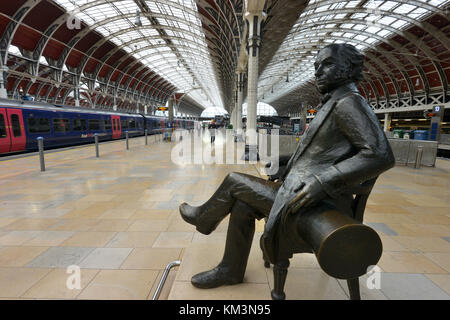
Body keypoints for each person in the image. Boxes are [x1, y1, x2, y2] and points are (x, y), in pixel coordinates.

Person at [179, 43, 395, 289]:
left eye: (328, 64)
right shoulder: (334, 103)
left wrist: (322, 182)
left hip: (312, 203)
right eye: (316, 67)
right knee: (242, 203)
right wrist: (284, 161)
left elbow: (380, 155)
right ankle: (230, 270)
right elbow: (316, 153)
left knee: (234, 181)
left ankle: (204, 219)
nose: (318, 72)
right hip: (296, 191)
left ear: (349, 68)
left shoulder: (349, 103)